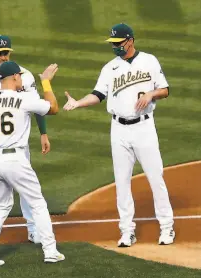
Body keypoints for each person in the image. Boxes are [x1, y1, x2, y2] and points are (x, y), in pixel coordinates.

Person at [63, 23, 175, 247]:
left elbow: (165, 90)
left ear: (130, 40)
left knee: (155, 177)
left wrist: (151, 94)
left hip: (144, 128)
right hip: (119, 130)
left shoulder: (149, 61)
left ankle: (166, 227)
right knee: (121, 182)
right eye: (113, 43)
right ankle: (126, 231)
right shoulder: (109, 68)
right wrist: (78, 103)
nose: (115, 47)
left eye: (118, 43)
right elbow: (97, 95)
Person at [0, 61, 65, 266]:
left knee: (0, 206)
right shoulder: (24, 99)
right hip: (14, 159)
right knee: (37, 203)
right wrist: (45, 82)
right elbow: (53, 108)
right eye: (19, 76)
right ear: (14, 77)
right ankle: (50, 251)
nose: (21, 79)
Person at [0, 35, 49, 246]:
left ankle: (33, 230)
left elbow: (37, 105)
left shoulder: (24, 75)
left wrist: (43, 133)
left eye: (6, 53)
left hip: (17, 143)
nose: (3, 56)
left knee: (23, 190)